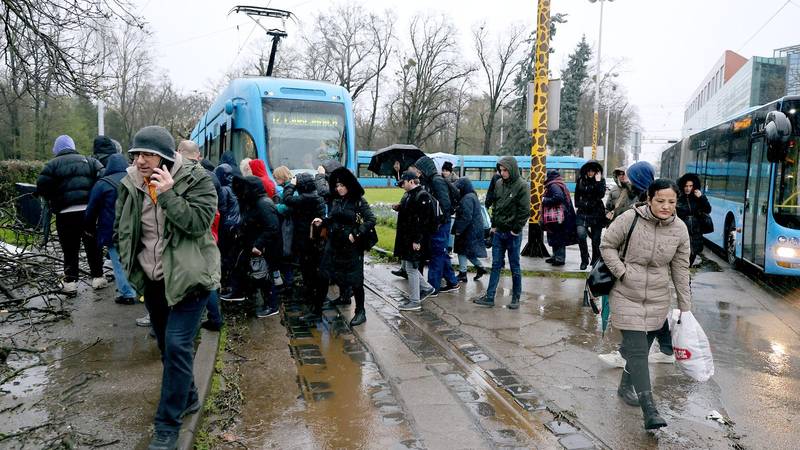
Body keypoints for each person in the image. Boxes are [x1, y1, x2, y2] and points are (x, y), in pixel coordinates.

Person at [115, 126, 220, 449]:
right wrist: (128, 262)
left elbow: (198, 224)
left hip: (191, 278)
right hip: (154, 279)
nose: (140, 161)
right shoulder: (131, 183)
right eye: (136, 154)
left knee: (177, 345)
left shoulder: (197, 179)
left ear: (164, 157)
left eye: (148, 155)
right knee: (165, 344)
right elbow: (123, 225)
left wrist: (168, 195)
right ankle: (188, 396)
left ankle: (167, 426)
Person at [599, 178, 691, 430]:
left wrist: (685, 307)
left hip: (658, 297)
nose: (665, 206)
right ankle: (649, 410)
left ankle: (624, 387)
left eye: (671, 202)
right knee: (638, 350)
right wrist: (622, 272)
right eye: (660, 201)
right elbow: (607, 246)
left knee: (640, 349)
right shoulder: (630, 218)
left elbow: (681, 269)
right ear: (649, 199)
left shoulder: (680, 229)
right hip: (626, 293)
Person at [36, 134, 106, 295]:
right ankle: (98, 277)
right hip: (88, 212)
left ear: (57, 148)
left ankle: (70, 282)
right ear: (73, 146)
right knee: (92, 246)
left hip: (65, 214)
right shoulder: (89, 161)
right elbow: (102, 177)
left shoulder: (51, 165)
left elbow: (42, 187)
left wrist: (55, 199)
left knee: (69, 248)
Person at [315, 167, 376, 326]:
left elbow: (371, 219)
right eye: (337, 186)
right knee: (328, 273)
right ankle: (336, 300)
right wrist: (323, 221)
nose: (339, 188)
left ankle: (360, 311)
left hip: (352, 246)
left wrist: (356, 233)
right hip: (335, 243)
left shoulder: (358, 201)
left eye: (342, 185)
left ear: (349, 185)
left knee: (355, 279)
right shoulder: (337, 200)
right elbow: (334, 218)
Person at [177, 141, 224, 332]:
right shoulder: (210, 176)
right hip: (210, 233)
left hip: (188, 234)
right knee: (207, 276)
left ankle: (199, 319)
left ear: (179, 152)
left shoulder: (176, 174)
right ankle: (213, 316)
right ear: (198, 155)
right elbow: (220, 206)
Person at [473, 157, 529, 309]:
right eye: (501, 170)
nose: (502, 173)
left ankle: (516, 297)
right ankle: (490, 296)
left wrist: (515, 230)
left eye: (505, 170)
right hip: (499, 232)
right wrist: (494, 225)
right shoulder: (498, 183)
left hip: (512, 234)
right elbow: (496, 206)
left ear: (512, 169)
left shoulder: (522, 186)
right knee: (496, 264)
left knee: (514, 266)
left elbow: (524, 211)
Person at [85, 153, 137, 304]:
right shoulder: (134, 179)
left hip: (111, 229)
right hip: (134, 227)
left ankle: (127, 293)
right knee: (136, 260)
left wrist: (89, 228)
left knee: (118, 262)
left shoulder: (102, 184)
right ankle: (141, 291)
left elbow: (91, 209)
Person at [231, 175, 282, 317]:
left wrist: (259, 245)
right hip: (256, 244)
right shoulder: (255, 202)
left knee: (264, 276)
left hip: (265, 247)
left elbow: (272, 227)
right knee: (256, 272)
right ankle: (243, 293)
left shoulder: (263, 204)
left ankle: (272, 305)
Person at [411, 155, 459, 294]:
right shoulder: (430, 181)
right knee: (440, 253)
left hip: (440, 223)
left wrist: (438, 222)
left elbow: (445, 204)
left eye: (418, 170)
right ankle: (453, 282)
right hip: (438, 222)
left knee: (436, 254)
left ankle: (433, 287)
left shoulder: (436, 181)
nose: (417, 173)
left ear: (424, 169)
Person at [283, 173, 327, 321]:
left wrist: (291, 185)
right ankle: (313, 300)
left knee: (309, 271)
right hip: (315, 240)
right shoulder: (317, 196)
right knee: (311, 271)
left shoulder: (305, 198)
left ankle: (314, 306)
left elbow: (287, 199)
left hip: (306, 240)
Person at [394, 171, 436, 311]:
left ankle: (415, 301)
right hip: (408, 237)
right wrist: (400, 207)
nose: (402, 185)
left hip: (415, 238)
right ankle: (427, 288)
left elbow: (422, 221)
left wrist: (417, 240)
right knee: (409, 266)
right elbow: (411, 213)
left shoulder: (422, 195)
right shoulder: (410, 194)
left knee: (411, 268)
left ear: (411, 181)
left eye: (404, 182)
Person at [452, 177, 487, 282]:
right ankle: (479, 267)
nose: (458, 190)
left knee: (462, 250)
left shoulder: (467, 198)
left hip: (468, 229)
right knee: (466, 251)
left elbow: (466, 217)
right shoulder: (472, 195)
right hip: (473, 228)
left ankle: (463, 273)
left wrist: (458, 230)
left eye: (459, 188)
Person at [574, 160, 607, 270]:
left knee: (596, 239)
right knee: (581, 235)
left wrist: (597, 182)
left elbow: (601, 194)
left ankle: (595, 260)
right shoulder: (581, 180)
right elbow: (577, 194)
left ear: (596, 172)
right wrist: (578, 204)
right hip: (583, 212)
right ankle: (584, 259)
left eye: (593, 171)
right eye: (589, 170)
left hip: (597, 212)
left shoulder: (601, 181)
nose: (590, 173)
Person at [541, 170, 578, 266]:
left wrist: (545, 200)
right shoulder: (558, 183)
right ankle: (556, 256)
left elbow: (558, 197)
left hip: (558, 216)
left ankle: (559, 258)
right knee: (555, 235)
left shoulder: (554, 185)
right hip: (561, 215)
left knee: (558, 236)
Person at [677, 173, 711, 266]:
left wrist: (702, 198)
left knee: (691, 258)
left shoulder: (698, 198)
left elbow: (708, 210)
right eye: (686, 186)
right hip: (682, 232)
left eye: (690, 186)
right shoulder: (679, 198)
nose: (688, 188)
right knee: (682, 259)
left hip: (696, 233)